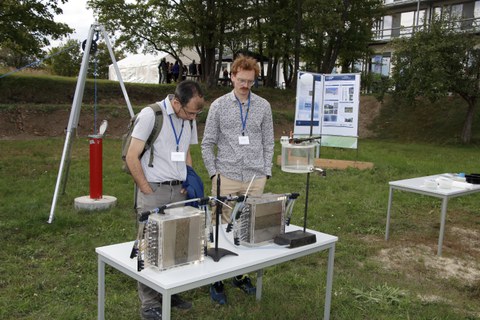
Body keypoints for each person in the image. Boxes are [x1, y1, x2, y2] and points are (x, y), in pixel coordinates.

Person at [126, 80, 205, 320]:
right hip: (154, 191)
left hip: (178, 191)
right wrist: (146, 188)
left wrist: (188, 180)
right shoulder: (151, 115)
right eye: (189, 112)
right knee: (150, 246)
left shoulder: (188, 118)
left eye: (196, 114)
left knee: (176, 243)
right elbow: (132, 156)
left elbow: (187, 153)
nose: (192, 118)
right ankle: (149, 303)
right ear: (175, 103)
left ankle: (170, 292)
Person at [201, 55, 274, 305]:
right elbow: (207, 143)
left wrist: (266, 171)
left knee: (247, 226)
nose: (245, 85)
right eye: (241, 80)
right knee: (221, 228)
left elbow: (268, 141)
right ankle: (217, 278)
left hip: (255, 176)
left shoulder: (263, 106)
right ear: (231, 76)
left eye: (250, 81)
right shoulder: (219, 106)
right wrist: (214, 173)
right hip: (227, 176)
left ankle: (240, 276)